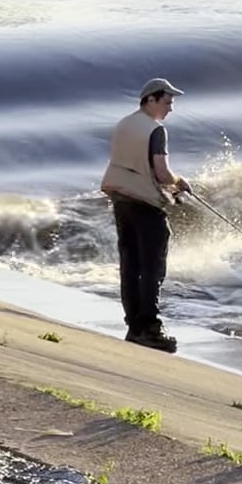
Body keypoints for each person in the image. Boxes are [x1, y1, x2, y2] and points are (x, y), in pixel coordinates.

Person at [101, 77, 192, 352]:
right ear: (151, 99)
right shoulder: (155, 130)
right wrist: (179, 183)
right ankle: (150, 328)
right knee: (153, 268)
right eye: (167, 101)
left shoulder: (124, 124)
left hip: (120, 198)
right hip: (144, 202)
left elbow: (130, 162)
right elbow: (161, 172)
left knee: (130, 265)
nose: (171, 108)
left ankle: (134, 326)